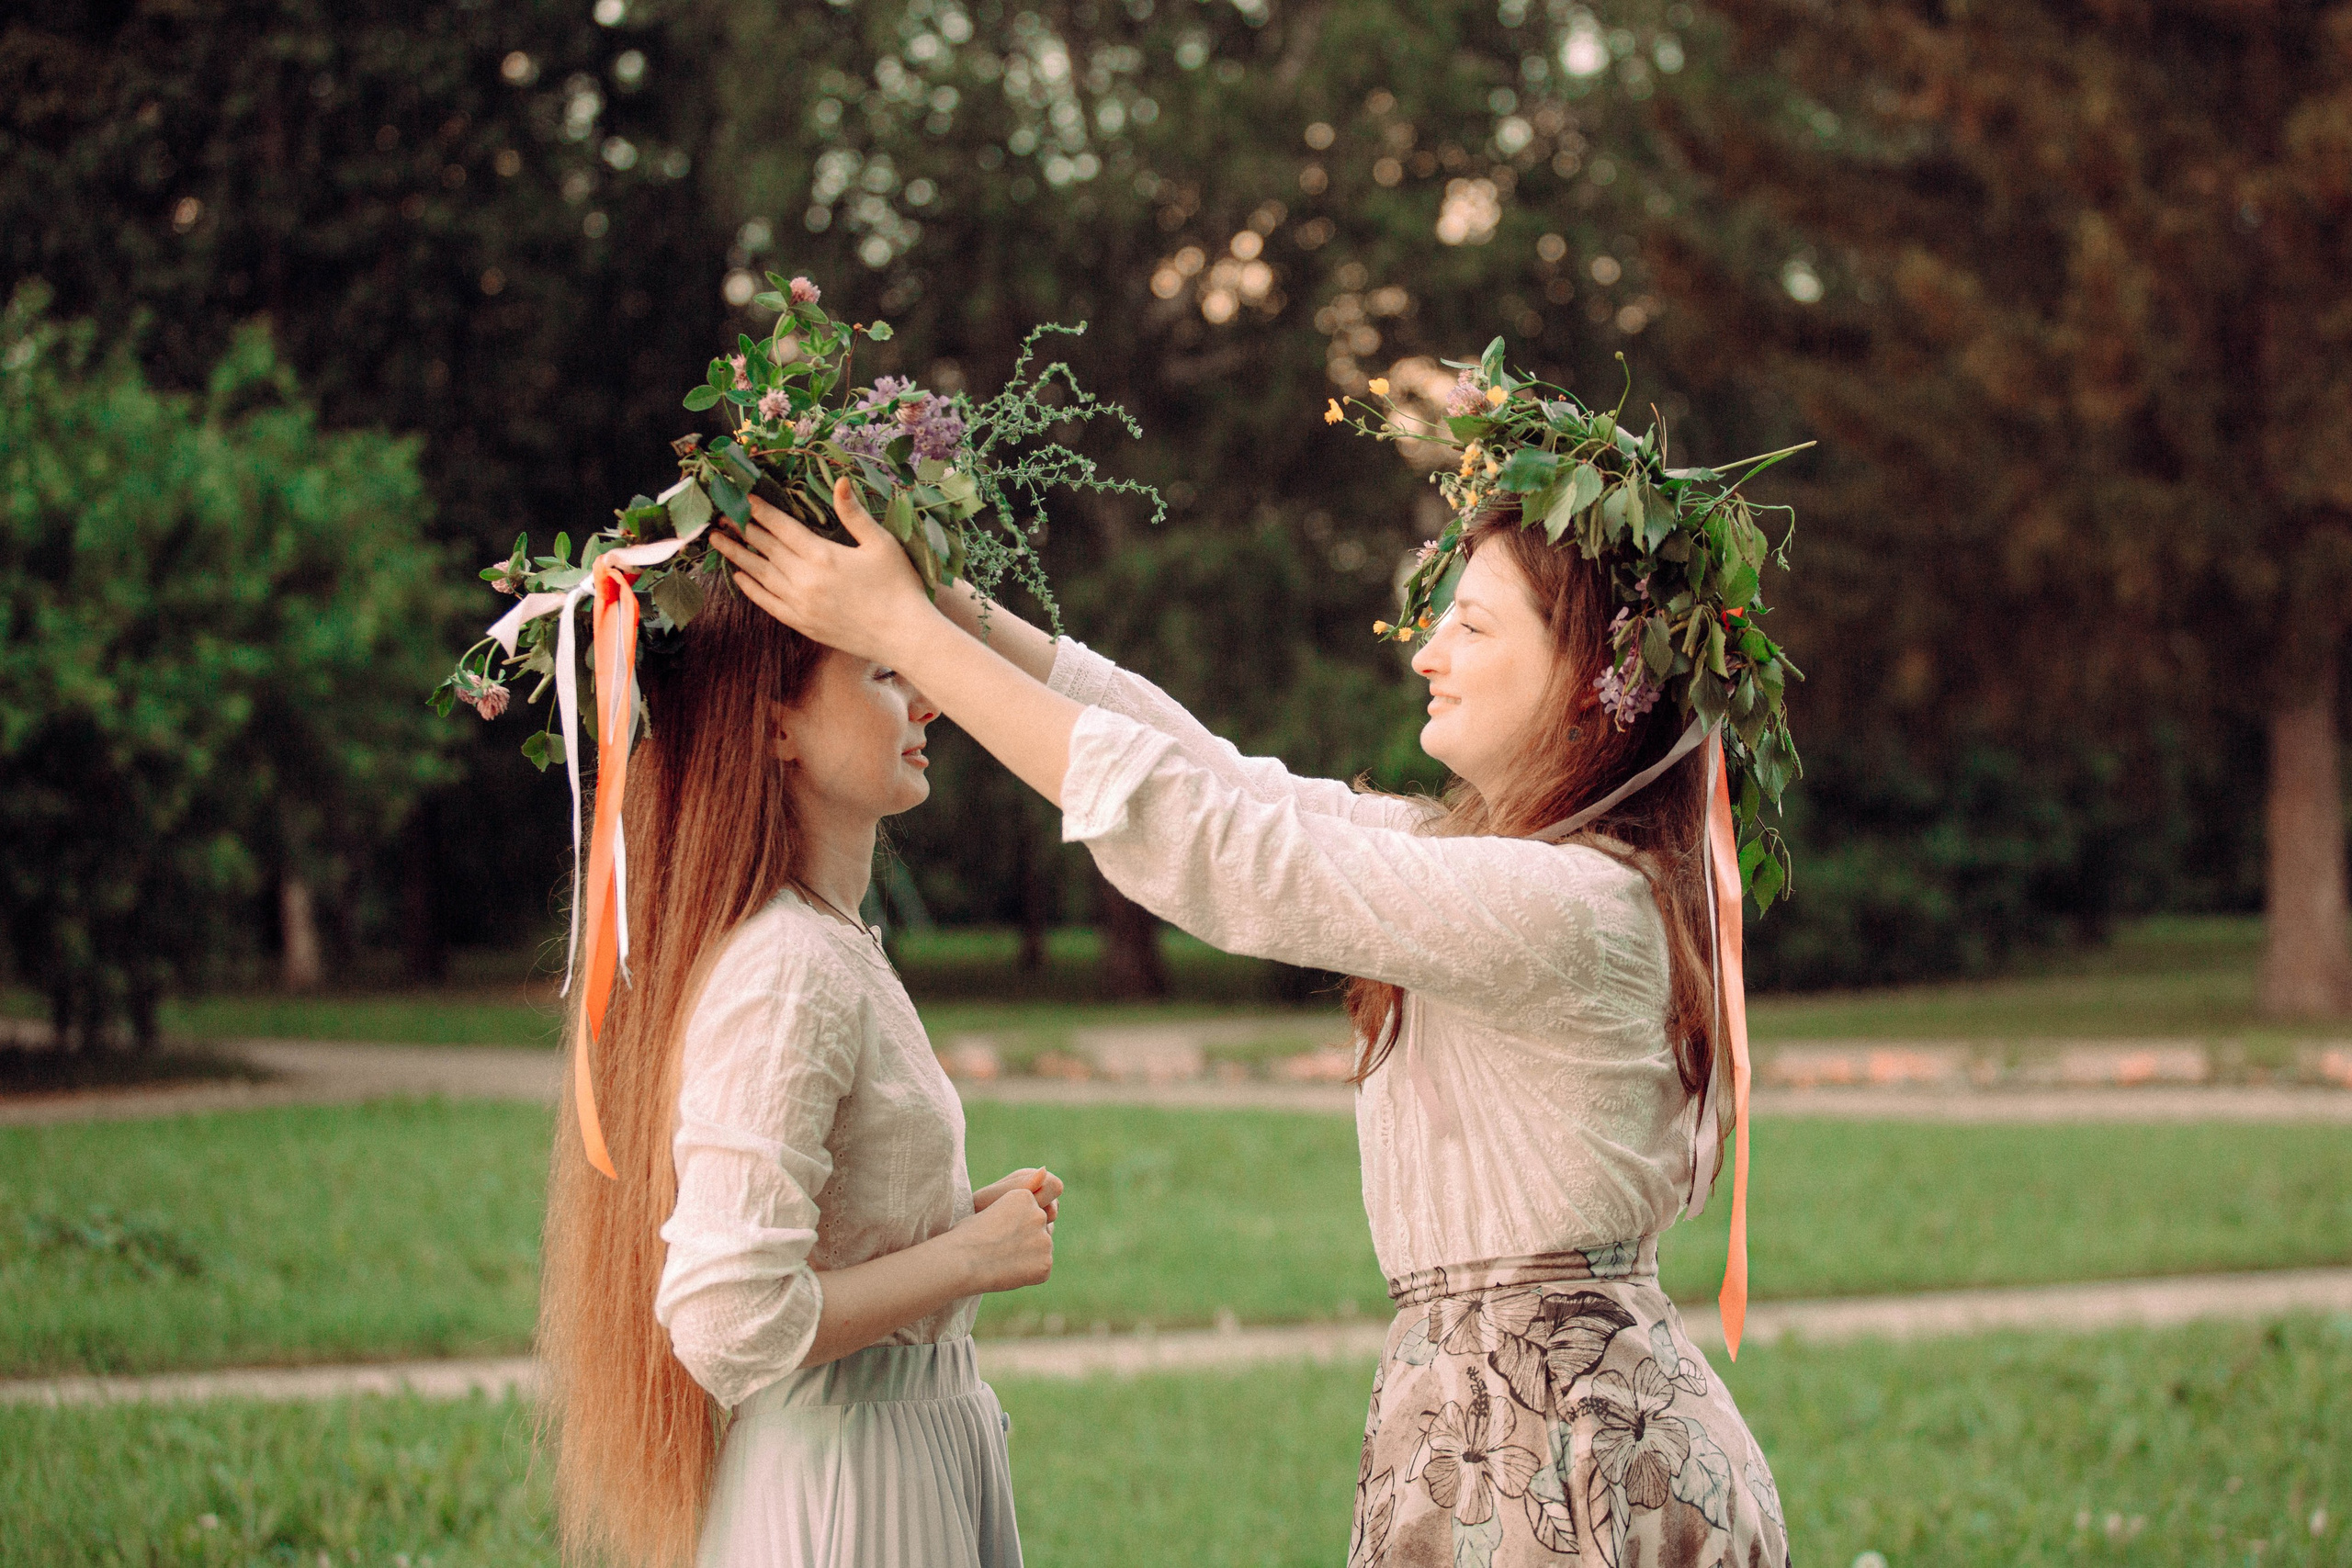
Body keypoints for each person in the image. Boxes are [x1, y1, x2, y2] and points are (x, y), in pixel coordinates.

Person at [713, 461, 1792, 1568]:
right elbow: (1216, 778)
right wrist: (944, 602)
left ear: (1587, 677)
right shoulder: (1498, 869)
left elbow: (1218, 848)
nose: (1427, 654)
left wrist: (905, 625)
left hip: (1562, 1458)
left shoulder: (1569, 904)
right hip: (1502, 1427)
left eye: (1470, 626)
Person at [533, 580, 1062, 1568]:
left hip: (895, 1459)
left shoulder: (831, 942)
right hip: (847, 1498)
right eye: (881, 673)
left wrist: (946, 1222)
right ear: (778, 729)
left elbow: (818, 1240)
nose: (926, 699)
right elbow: (729, 1317)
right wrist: (969, 1260)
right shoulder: (787, 967)